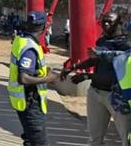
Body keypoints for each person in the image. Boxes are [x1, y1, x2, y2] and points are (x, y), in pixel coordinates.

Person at [60, 12, 131, 146]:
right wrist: (74, 67)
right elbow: (95, 60)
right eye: (104, 21)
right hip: (96, 92)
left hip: (116, 97)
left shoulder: (125, 46)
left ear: (119, 24)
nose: (105, 24)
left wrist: (87, 76)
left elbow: (112, 76)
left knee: (126, 139)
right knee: (95, 138)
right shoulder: (103, 40)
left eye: (110, 22)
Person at [9, 11, 59, 146]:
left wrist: (41, 72)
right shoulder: (30, 48)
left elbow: (25, 68)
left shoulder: (21, 40)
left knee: (30, 140)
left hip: (22, 100)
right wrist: (47, 79)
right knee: (39, 142)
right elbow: (24, 78)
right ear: (44, 28)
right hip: (30, 101)